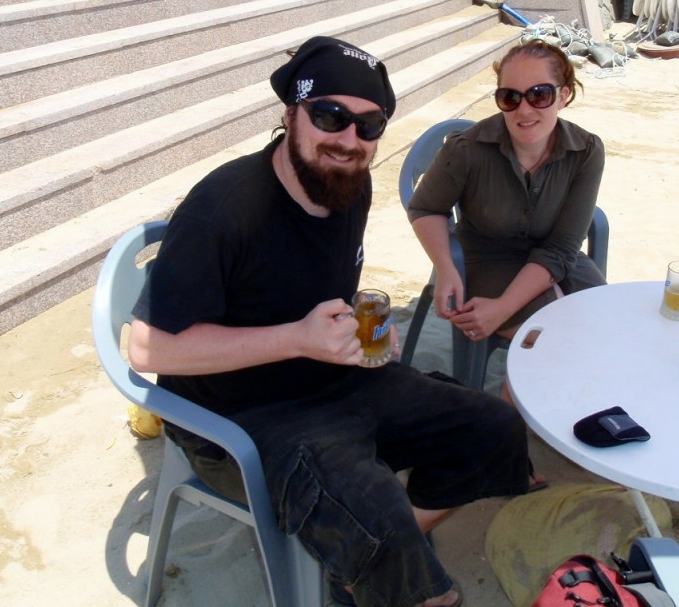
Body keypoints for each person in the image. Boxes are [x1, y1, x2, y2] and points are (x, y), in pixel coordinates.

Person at [128, 36, 530, 607]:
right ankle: (390, 565)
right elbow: (148, 349)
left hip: (338, 379)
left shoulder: (350, 185)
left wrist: (361, 334)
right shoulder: (225, 207)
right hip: (240, 418)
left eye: (369, 125)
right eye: (329, 116)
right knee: (384, 529)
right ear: (290, 114)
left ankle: (371, 561)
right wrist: (298, 339)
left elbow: (319, 289)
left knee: (495, 429)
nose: (348, 139)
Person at [407, 39, 606, 369]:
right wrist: (445, 266)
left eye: (539, 95)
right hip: (486, 259)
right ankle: (514, 404)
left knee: (609, 328)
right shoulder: (467, 149)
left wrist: (502, 309)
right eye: (510, 97)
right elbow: (425, 207)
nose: (524, 110)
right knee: (553, 343)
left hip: (557, 257)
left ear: (564, 95)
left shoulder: (586, 151)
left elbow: (562, 248)